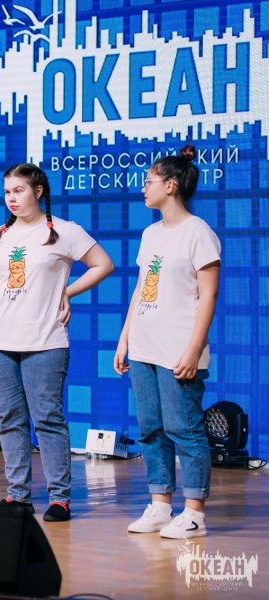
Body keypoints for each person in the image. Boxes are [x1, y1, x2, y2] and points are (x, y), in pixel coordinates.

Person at [0, 163, 113, 521]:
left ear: (38, 191)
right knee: (9, 417)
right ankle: (17, 495)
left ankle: (59, 497)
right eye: (7, 192)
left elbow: (103, 264)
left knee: (47, 417)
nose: (11, 198)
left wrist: (68, 291)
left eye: (18, 190)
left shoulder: (63, 231)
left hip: (45, 339)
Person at [115, 148, 219, 539]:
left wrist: (193, 348)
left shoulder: (199, 232)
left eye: (149, 181)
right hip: (144, 345)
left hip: (178, 348)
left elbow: (208, 295)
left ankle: (194, 513)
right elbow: (142, 288)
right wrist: (125, 338)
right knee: (151, 429)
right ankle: (160, 505)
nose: (143, 188)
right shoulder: (150, 234)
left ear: (171, 185)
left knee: (184, 428)